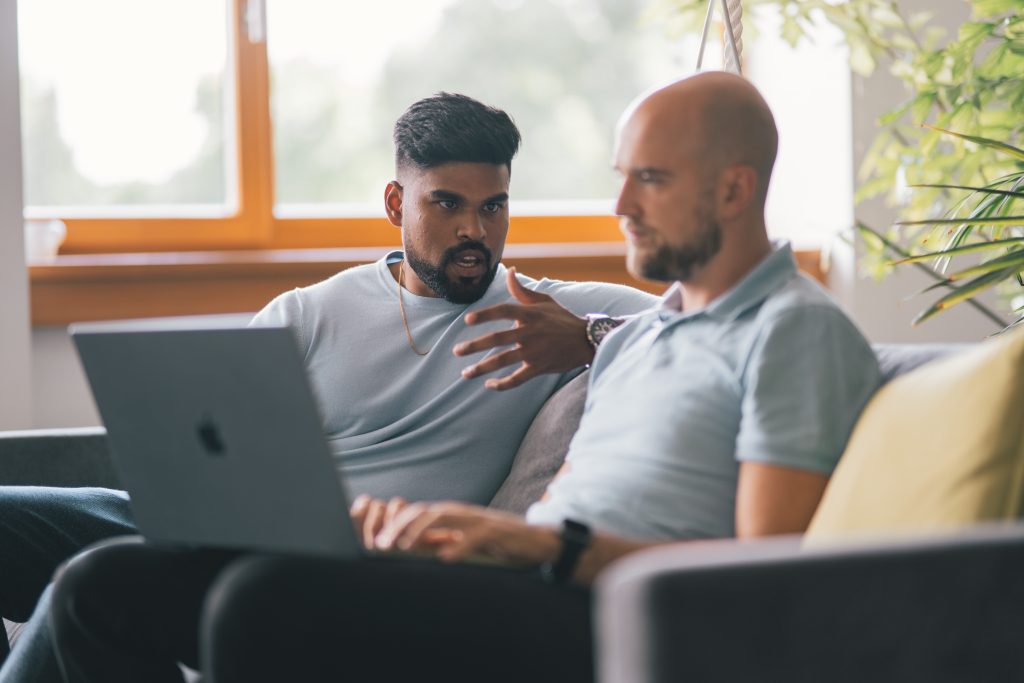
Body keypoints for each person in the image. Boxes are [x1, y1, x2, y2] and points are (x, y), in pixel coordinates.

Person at [49, 72, 882, 683]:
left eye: (650, 179)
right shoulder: (642, 333)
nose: (621, 203)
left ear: (735, 188)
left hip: (589, 608)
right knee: (104, 583)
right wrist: (452, 527)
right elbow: (595, 357)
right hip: (507, 574)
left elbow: (773, 577)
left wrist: (538, 542)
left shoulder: (795, 331)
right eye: (619, 175)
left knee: (255, 602)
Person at [0, 93, 656, 682]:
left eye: (493, 207)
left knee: (95, 587)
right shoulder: (309, 311)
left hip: (332, 572)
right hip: (219, 526)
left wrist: (587, 336)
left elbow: (695, 318)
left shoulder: (545, 311)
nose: (473, 233)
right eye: (446, 203)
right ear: (397, 203)